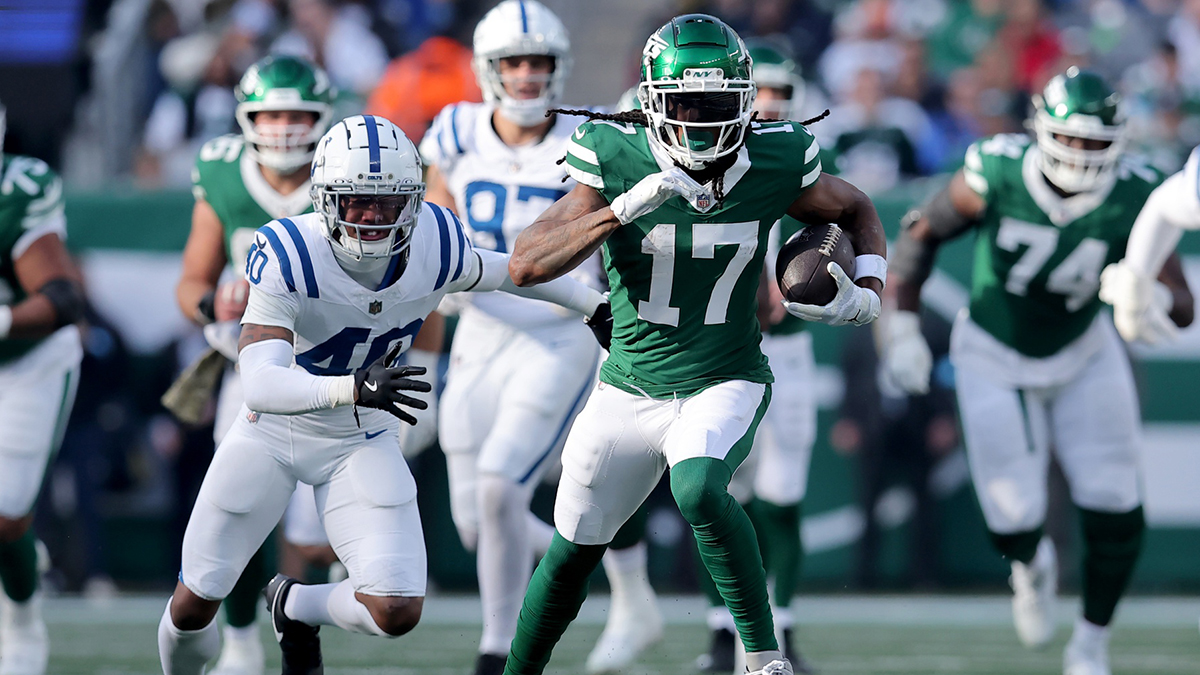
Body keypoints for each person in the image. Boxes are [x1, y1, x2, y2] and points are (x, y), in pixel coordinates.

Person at [501, 14, 888, 675]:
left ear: (746, 104)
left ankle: (765, 662)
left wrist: (868, 292)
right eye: (684, 105)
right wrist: (621, 209)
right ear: (652, 102)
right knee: (571, 553)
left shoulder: (777, 156)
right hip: (627, 385)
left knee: (702, 487)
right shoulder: (616, 155)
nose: (700, 122)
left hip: (725, 375)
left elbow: (854, 209)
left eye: (716, 105)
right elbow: (525, 264)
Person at [157, 114, 610, 675]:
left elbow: (506, 270)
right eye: (356, 202)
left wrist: (594, 306)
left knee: (395, 608)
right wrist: (355, 386)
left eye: (388, 203)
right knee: (195, 603)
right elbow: (262, 383)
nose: (372, 218)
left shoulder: (434, 243)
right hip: (271, 434)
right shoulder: (288, 249)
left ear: (412, 202)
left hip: (359, 436)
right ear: (326, 199)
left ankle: (294, 606)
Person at [881, 67, 1194, 675]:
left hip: (1084, 350)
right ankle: (1030, 565)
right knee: (1013, 520)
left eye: (1093, 143)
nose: (1078, 154)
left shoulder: (1137, 192)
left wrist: (1151, 297)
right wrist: (902, 327)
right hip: (994, 353)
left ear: (1118, 143)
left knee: (1115, 502)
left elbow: (1182, 303)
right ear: (1042, 133)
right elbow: (921, 234)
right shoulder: (997, 171)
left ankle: (1090, 646)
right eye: (1068, 139)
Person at [419, 3, 661, 674]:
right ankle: (626, 586)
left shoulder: (588, 135)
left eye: (539, 63)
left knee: (501, 490)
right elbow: (437, 222)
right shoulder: (457, 130)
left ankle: (497, 651)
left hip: (560, 333)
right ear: (486, 70)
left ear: (560, 69)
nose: (527, 76)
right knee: (478, 521)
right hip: (480, 333)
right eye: (513, 63)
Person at [173, 54, 376, 675]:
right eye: (271, 113)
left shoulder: (352, 168)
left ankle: (292, 614)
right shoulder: (224, 171)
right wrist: (217, 301)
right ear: (245, 117)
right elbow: (191, 285)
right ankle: (238, 641)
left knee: (311, 540)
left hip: (338, 364)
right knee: (239, 514)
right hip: (258, 365)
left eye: (297, 113)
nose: (284, 127)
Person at [694, 37, 827, 675]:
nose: (770, 104)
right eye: (760, 90)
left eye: (782, 92)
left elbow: (840, 228)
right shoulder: (696, 157)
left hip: (789, 353)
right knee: (722, 495)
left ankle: (788, 626)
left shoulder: (802, 159)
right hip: (720, 351)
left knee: (782, 496)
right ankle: (726, 630)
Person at [0, 98, 86, 675]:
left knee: (5, 514)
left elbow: (60, 298)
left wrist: (4, 320)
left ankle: (22, 612)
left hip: (26, 361)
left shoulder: (19, 188)